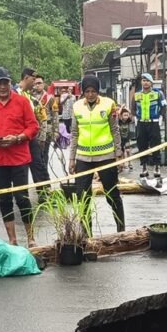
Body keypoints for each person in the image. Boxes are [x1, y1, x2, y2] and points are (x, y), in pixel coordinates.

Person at [0, 67, 39, 246]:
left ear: (10, 83)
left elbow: (33, 126)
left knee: (22, 197)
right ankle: (12, 239)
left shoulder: (21, 102)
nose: (3, 86)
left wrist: (19, 137)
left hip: (19, 156)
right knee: (4, 199)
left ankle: (30, 237)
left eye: (6, 83)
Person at [69, 75, 125, 232]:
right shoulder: (77, 106)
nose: (90, 94)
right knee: (82, 196)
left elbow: (115, 130)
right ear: (83, 92)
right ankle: (87, 233)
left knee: (112, 194)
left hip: (106, 156)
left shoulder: (108, 105)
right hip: (83, 157)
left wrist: (119, 155)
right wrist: (72, 159)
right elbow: (74, 133)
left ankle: (121, 229)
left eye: (93, 91)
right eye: (87, 91)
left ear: (98, 91)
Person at [15, 68, 50, 196]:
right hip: (18, 137)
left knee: (38, 165)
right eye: (33, 80)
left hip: (31, 136)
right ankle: (5, 195)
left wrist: (42, 135)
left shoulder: (28, 96)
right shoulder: (15, 93)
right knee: (19, 168)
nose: (35, 83)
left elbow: (40, 115)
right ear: (26, 78)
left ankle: (44, 193)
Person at [134, 72, 167, 179]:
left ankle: (157, 167)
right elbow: (133, 107)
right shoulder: (137, 94)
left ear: (151, 82)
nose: (145, 83)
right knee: (141, 145)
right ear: (141, 82)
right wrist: (135, 117)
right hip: (141, 123)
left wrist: (161, 117)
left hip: (153, 122)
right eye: (144, 80)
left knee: (156, 144)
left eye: (147, 80)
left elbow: (163, 106)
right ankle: (144, 167)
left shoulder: (158, 93)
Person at [117, 105, 135, 171]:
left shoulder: (128, 120)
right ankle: (123, 164)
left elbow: (130, 113)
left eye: (127, 115)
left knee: (128, 151)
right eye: (124, 115)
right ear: (121, 116)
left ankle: (130, 163)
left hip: (127, 138)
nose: (126, 117)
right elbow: (118, 114)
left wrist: (126, 109)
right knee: (122, 152)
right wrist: (121, 108)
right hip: (121, 139)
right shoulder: (119, 121)